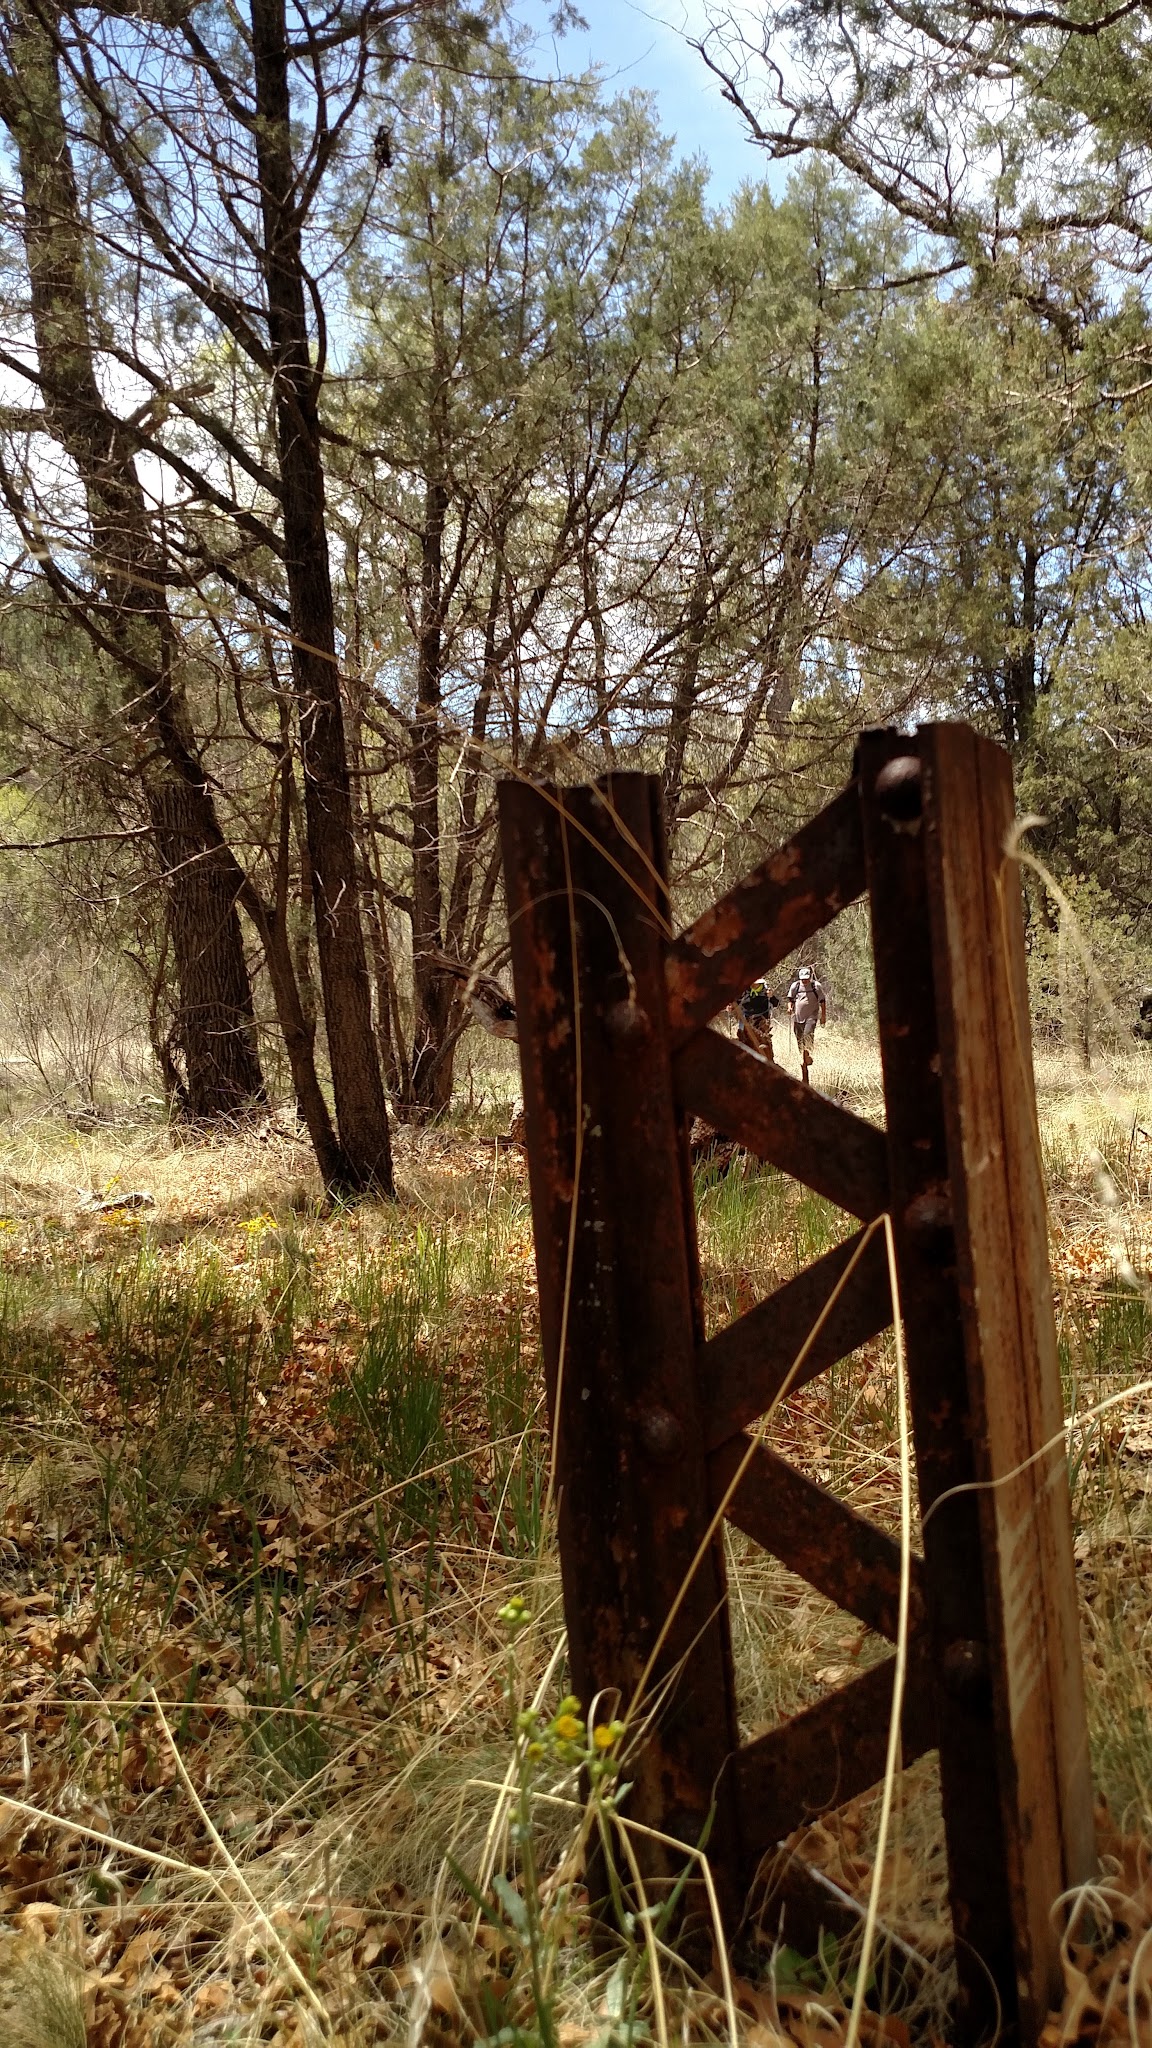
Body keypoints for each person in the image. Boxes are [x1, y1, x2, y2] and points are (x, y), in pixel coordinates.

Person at [787, 964, 827, 1084]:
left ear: (810, 977)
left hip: (812, 1016)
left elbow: (822, 1002)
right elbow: (790, 999)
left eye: (806, 979)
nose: (804, 981)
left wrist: (823, 1016)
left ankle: (808, 1054)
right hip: (798, 1017)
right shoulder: (796, 986)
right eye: (803, 979)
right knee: (799, 1037)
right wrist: (789, 1008)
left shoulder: (816, 986)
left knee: (808, 1034)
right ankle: (803, 1056)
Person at [737, 979, 779, 1059]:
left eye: (756, 984)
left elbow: (776, 1003)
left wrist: (771, 996)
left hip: (761, 1021)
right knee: (743, 1040)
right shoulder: (745, 991)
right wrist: (730, 1006)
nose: (753, 985)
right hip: (746, 1020)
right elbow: (736, 1001)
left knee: (763, 1041)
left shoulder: (766, 992)